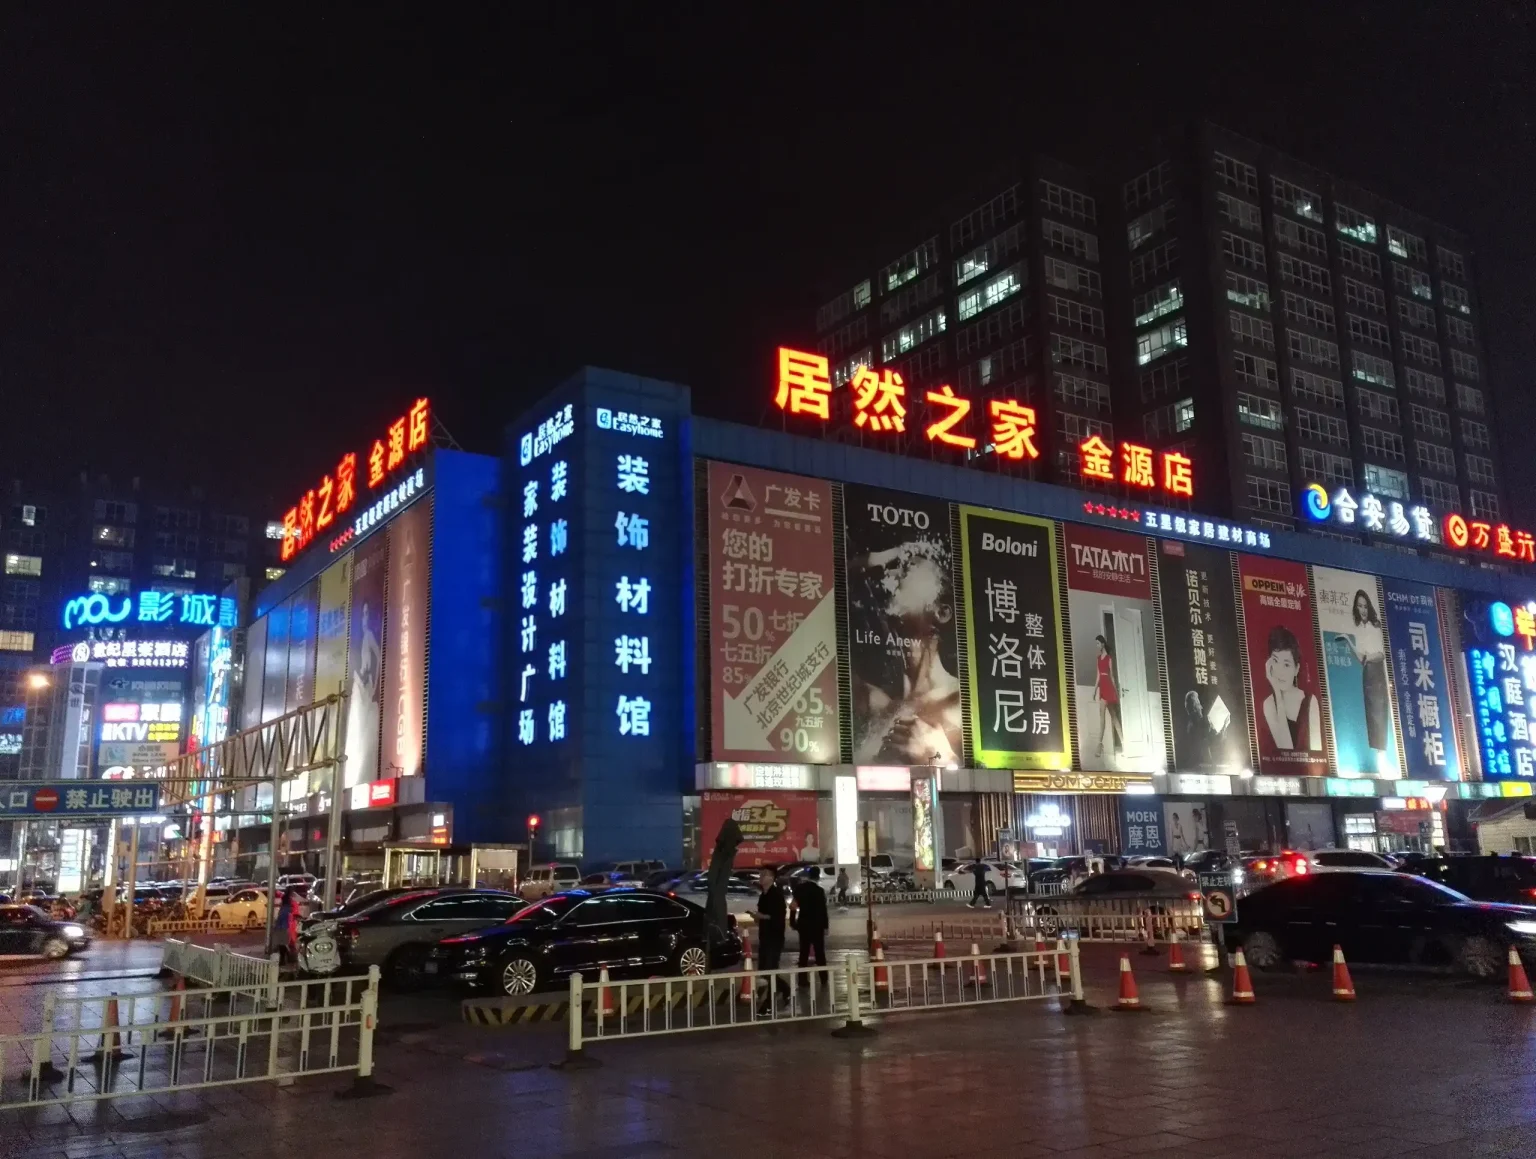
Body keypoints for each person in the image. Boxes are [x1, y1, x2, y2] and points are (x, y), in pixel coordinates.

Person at [1337, 589, 1389, 754]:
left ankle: (1382, 751)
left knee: (1379, 711)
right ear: (1356, 608)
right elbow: (1361, 658)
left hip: (1377, 673)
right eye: (1360, 606)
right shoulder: (1359, 629)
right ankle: (1376, 751)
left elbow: (1381, 654)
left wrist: (1369, 657)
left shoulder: (1376, 626)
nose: (1363, 610)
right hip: (1367, 673)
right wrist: (1348, 640)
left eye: (1365, 606)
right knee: (1370, 713)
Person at [1261, 624, 1321, 751]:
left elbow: (1317, 753)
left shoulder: (1310, 701)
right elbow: (1286, 749)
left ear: (1296, 669)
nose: (1280, 671)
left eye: (1286, 665)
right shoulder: (1269, 704)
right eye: (1275, 661)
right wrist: (1277, 693)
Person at [754, 867, 791, 1015]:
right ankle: (785, 990)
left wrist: (762, 916)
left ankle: (768, 1005)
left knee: (770, 969)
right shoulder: (763, 895)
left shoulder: (776, 895)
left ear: (772, 878)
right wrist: (757, 918)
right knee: (765, 970)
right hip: (764, 937)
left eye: (764, 875)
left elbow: (778, 917)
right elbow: (762, 916)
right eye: (760, 874)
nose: (761, 877)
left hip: (774, 938)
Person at [790, 872, 829, 993]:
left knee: (804, 953)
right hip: (817, 926)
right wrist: (825, 926)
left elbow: (793, 906)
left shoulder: (799, 889)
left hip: (804, 925)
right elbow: (823, 910)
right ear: (817, 877)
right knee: (820, 953)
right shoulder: (819, 891)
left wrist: (793, 922)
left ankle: (802, 979)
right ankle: (823, 978)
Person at [1092, 634, 1124, 764]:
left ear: (1102, 644)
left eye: (1098, 643)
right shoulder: (1098, 658)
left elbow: (1112, 676)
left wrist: (1116, 691)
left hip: (1109, 687)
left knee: (1114, 717)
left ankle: (1123, 742)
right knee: (1102, 718)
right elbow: (1098, 676)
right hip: (1102, 688)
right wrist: (1095, 690)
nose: (1097, 646)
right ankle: (1099, 745)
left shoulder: (1109, 658)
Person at [270, 886, 300, 964]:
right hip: (287, 927)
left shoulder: (284, 907)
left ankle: (285, 958)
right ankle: (288, 958)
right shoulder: (291, 905)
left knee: (283, 943)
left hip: (282, 927)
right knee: (287, 943)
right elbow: (294, 916)